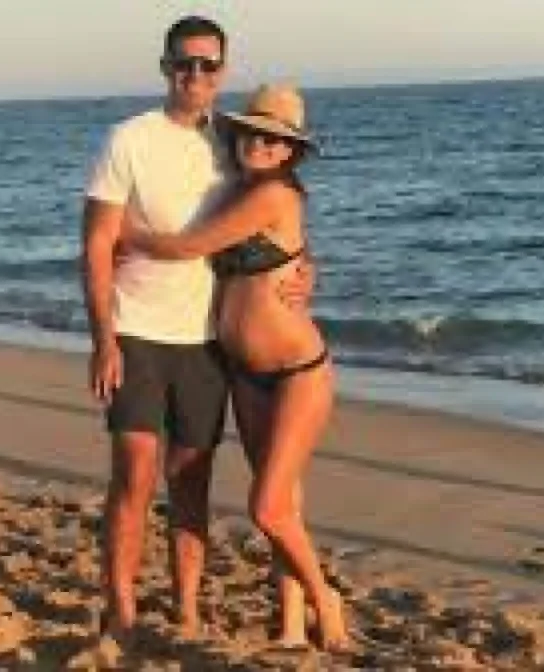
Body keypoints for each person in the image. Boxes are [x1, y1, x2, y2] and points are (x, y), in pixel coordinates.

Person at [119, 83, 350, 651]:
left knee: (267, 507)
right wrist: (308, 264)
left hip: (296, 371)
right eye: (253, 134)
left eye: (276, 141)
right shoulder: (236, 191)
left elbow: (187, 247)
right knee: (285, 502)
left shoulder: (273, 194)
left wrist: (117, 230)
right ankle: (291, 624)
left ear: (290, 152)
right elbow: (283, 252)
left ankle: (325, 599)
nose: (261, 145)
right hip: (245, 373)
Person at [80, 15, 233, 640]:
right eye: (183, 63)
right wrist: (103, 340)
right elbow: (96, 243)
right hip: (136, 329)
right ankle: (121, 608)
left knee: (192, 481)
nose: (195, 74)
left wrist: (301, 271)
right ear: (165, 67)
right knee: (136, 472)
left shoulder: (235, 143)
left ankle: (187, 607)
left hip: (209, 339)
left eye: (207, 64)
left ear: (223, 71)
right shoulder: (129, 138)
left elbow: (275, 218)